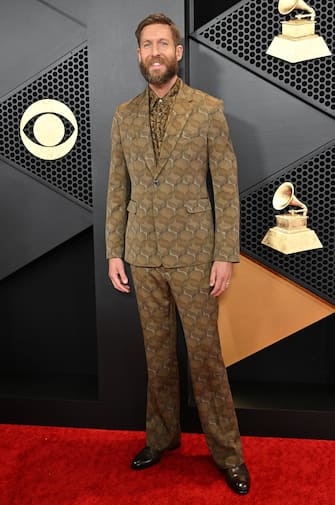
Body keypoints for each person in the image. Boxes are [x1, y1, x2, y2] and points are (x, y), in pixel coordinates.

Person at [106, 13, 250, 495]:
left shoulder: (208, 110)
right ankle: (161, 438)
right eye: (146, 45)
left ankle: (227, 453)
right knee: (158, 357)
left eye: (162, 44)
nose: (154, 52)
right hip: (142, 254)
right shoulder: (124, 114)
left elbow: (226, 188)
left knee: (206, 358)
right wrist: (114, 251)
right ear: (139, 53)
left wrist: (225, 254)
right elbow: (116, 189)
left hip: (194, 255)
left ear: (178, 51)